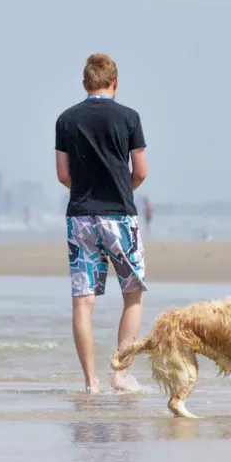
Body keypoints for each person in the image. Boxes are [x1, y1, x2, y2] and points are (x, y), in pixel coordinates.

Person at [55, 53, 147, 395]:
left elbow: (63, 174)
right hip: (120, 216)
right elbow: (140, 171)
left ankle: (91, 383)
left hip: (80, 217)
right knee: (132, 294)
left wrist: (84, 193)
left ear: (85, 84)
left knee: (83, 300)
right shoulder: (129, 117)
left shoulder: (66, 119)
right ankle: (121, 375)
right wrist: (122, 191)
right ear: (116, 82)